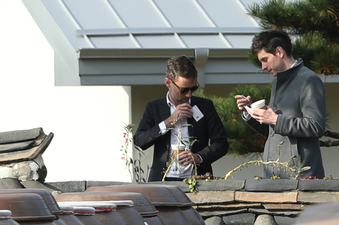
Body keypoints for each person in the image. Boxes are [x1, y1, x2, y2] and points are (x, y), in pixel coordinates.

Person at [235, 30, 327, 178]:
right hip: (274, 176)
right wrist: (250, 112)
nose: (263, 66)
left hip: (301, 177)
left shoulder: (308, 80)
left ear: (279, 52)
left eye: (265, 59)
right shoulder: (278, 82)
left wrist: (276, 119)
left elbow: (316, 126)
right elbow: (273, 132)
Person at [133, 56, 228, 182]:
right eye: (183, 90)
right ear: (168, 83)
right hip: (163, 180)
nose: (189, 94)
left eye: (193, 88)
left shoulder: (204, 106)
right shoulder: (154, 107)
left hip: (197, 180)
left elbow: (221, 143)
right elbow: (140, 141)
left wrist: (199, 157)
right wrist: (169, 121)